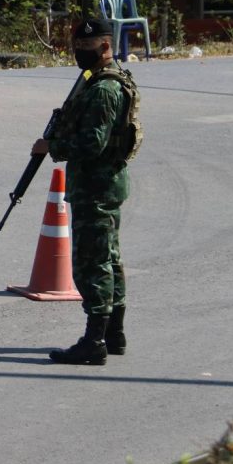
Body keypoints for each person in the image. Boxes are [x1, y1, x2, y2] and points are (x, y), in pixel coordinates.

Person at [31, 18, 140, 365]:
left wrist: (52, 147)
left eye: (85, 47)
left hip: (96, 186)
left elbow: (93, 143)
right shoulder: (103, 79)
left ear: (105, 46)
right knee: (109, 259)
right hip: (103, 184)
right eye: (76, 47)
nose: (79, 53)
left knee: (92, 264)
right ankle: (114, 334)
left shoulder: (104, 89)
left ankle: (94, 341)